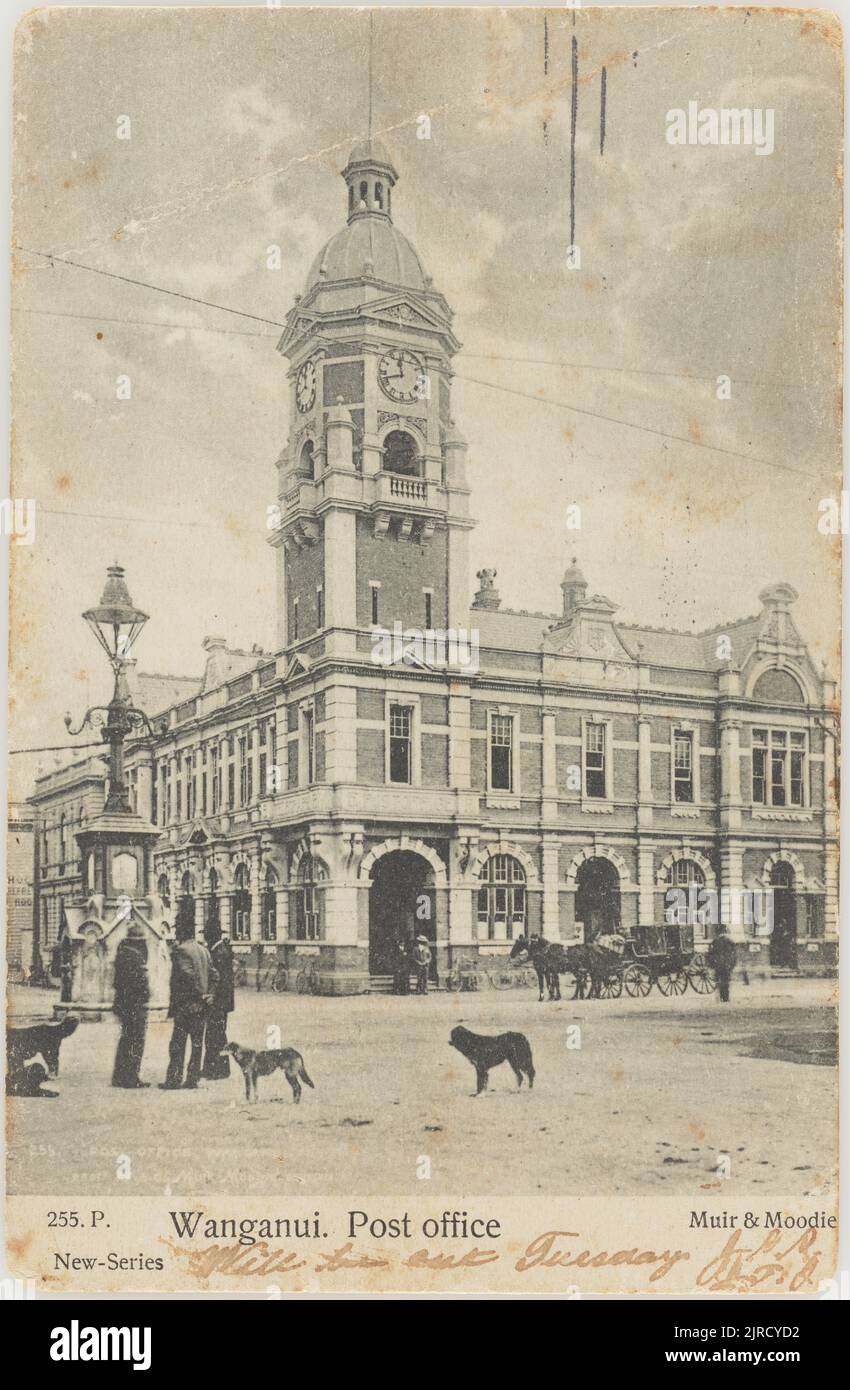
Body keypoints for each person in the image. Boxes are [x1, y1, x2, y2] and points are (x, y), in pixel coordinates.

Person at [161, 922, 218, 1090]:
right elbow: (215, 975)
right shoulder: (204, 950)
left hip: (186, 1005)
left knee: (177, 1044)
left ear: (181, 933)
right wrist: (209, 995)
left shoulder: (181, 950)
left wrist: (200, 994)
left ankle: (173, 1079)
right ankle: (192, 1079)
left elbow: (188, 976)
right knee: (197, 1043)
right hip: (202, 1007)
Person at [111, 921, 150, 1088]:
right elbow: (140, 983)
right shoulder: (135, 957)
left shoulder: (122, 954)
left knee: (126, 1039)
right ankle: (131, 1077)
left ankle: (119, 1076)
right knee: (136, 1040)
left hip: (123, 1004)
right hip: (135, 1005)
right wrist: (146, 994)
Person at [202, 925, 234, 1080]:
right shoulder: (220, 950)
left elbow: (221, 980)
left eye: (206, 935)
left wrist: (213, 997)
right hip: (222, 1001)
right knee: (217, 1034)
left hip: (219, 1002)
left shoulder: (219, 952)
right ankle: (217, 1068)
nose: (205, 939)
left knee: (215, 1034)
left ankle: (217, 1070)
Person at [707, 926, 738, 1003]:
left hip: (718, 965)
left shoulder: (715, 941)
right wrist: (732, 965)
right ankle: (725, 998)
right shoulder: (730, 942)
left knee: (718, 981)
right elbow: (733, 955)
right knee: (726, 981)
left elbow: (710, 954)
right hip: (727, 965)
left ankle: (720, 997)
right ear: (725, 932)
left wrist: (712, 965)